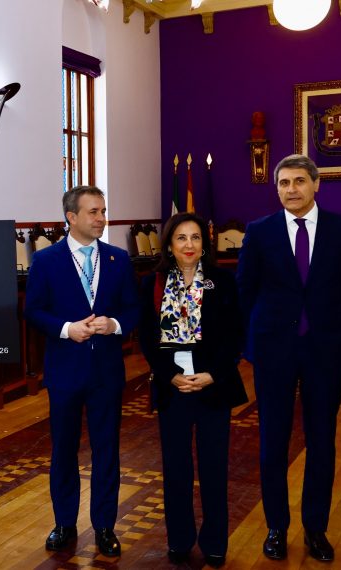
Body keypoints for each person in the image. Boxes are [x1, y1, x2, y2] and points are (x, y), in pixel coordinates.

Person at [236, 154, 341, 562]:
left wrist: (336, 336)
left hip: (324, 353)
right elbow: (245, 291)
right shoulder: (259, 232)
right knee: (272, 440)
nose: (291, 189)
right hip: (274, 352)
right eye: (283, 183)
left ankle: (315, 528)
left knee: (321, 441)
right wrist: (252, 340)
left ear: (316, 185)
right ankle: (276, 526)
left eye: (298, 182)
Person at [25, 185, 139, 558]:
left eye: (104, 211)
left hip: (106, 370)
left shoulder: (119, 259)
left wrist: (115, 324)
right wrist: (66, 329)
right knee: (64, 450)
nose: (101, 218)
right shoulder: (46, 262)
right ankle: (64, 524)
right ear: (71, 217)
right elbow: (34, 311)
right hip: (65, 371)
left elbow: (133, 311)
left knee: (107, 450)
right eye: (93, 212)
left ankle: (105, 527)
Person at [137, 213, 247, 568]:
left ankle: (215, 542)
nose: (188, 245)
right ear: (169, 244)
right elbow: (147, 339)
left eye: (195, 238)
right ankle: (180, 539)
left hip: (213, 386)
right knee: (176, 468)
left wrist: (213, 373)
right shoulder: (152, 284)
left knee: (215, 467)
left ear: (204, 244)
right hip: (173, 388)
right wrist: (169, 374)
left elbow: (235, 335)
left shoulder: (223, 282)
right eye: (181, 238)